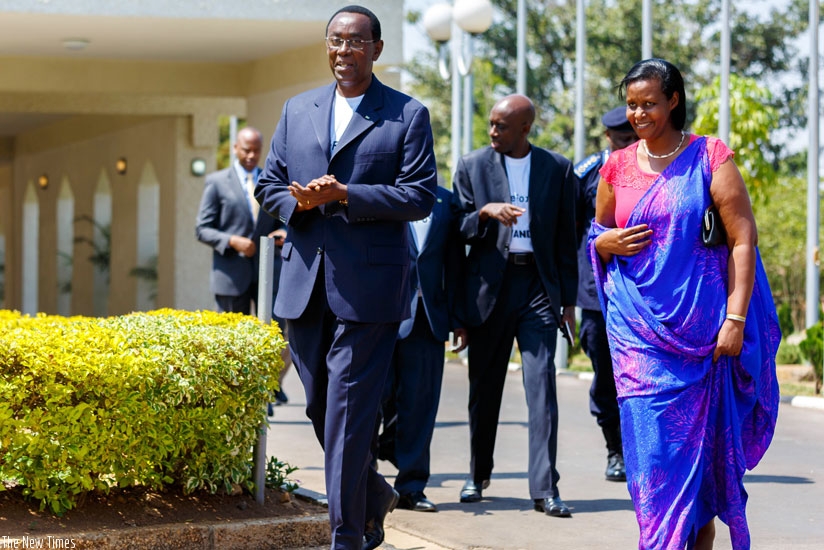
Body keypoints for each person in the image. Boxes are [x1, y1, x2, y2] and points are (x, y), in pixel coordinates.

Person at [255, 5, 438, 549]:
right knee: (321, 408)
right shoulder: (296, 109)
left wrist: (346, 195)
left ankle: (347, 535)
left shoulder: (407, 114)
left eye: (356, 42)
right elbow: (268, 187)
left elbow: (420, 195)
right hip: (304, 285)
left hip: (369, 292)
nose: (344, 51)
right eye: (336, 41)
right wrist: (301, 202)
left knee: (350, 413)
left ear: (377, 49)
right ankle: (374, 494)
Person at [589, 58, 780, 550]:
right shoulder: (614, 166)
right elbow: (599, 231)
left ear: (673, 101)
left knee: (699, 476)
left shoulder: (709, 156)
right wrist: (602, 245)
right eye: (632, 105)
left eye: (649, 103)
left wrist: (736, 318)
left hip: (703, 335)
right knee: (652, 462)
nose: (639, 114)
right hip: (636, 333)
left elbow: (742, 239)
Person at [451, 94, 578, 518]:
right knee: (484, 390)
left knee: (542, 388)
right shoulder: (471, 166)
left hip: (538, 287)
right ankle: (477, 473)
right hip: (490, 287)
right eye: (490, 124)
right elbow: (457, 232)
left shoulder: (557, 168)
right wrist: (484, 213)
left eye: (501, 126)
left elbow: (567, 238)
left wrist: (568, 301)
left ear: (525, 128)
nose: (492, 132)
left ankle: (545, 489)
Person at [376, 185, 468, 513]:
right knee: (375, 399)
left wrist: (458, 319)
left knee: (420, 406)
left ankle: (412, 487)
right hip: (380, 316)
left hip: (428, 319)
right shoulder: (382, 195)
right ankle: (366, 484)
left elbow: (454, 264)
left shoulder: (445, 201)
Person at [194, 126, 291, 408]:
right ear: (235, 148)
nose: (251, 155)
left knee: (277, 334)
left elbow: (284, 218)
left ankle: (267, 391)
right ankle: (234, 397)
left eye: (256, 150)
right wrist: (233, 241)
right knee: (232, 340)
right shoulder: (216, 181)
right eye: (246, 149)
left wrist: (284, 233)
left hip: (267, 272)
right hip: (231, 274)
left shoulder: (270, 182)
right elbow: (202, 229)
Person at [573, 106, 638, 482]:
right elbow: (573, 235)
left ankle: (643, 450)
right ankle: (615, 450)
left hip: (642, 293)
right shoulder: (586, 174)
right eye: (621, 140)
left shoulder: (656, 169)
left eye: (632, 138)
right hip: (597, 293)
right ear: (609, 138)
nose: (627, 145)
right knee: (606, 374)